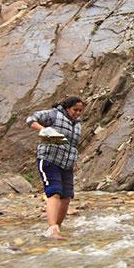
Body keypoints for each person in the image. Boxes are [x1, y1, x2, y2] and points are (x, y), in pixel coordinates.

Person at [26, 96, 84, 239]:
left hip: (67, 164)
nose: (77, 113)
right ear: (67, 108)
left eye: (80, 111)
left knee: (66, 196)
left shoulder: (77, 124)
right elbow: (30, 120)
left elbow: (73, 144)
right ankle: (52, 229)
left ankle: (56, 228)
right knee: (54, 192)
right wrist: (44, 130)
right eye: (75, 110)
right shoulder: (53, 114)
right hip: (49, 159)